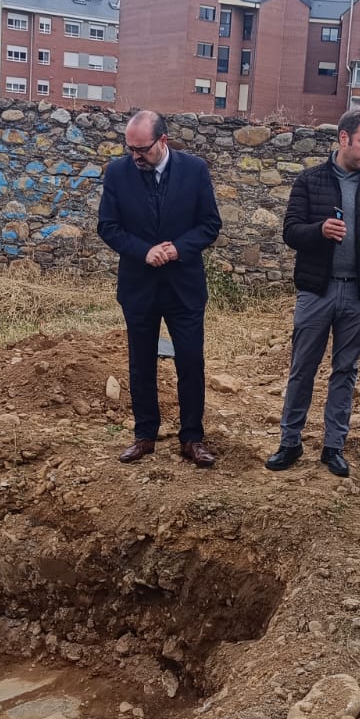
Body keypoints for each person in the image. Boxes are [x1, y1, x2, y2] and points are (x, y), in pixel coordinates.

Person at [265, 108, 360, 476]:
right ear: (344, 139)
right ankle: (289, 442)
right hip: (316, 292)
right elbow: (291, 231)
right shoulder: (310, 181)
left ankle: (333, 447)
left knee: (346, 371)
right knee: (302, 369)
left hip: (359, 295)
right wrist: (320, 231)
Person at [96, 110, 223, 468]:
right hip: (139, 287)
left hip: (184, 286)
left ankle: (192, 438)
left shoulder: (195, 170)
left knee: (190, 361)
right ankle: (145, 435)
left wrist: (178, 247)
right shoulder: (119, 173)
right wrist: (143, 251)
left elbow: (211, 224)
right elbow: (107, 226)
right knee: (141, 364)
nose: (135, 156)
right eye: (130, 148)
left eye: (143, 149)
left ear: (163, 141)